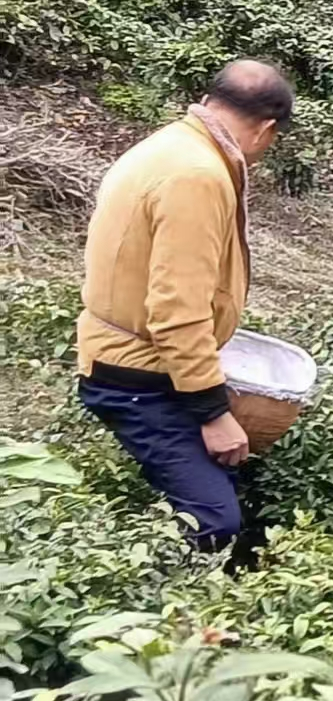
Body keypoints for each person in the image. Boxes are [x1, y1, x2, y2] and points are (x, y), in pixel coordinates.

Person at [76, 60, 294, 548]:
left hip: (125, 353)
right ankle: (132, 579)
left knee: (224, 479)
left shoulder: (172, 143)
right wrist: (214, 414)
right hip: (136, 375)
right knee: (213, 521)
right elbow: (176, 312)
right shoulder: (198, 175)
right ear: (266, 129)